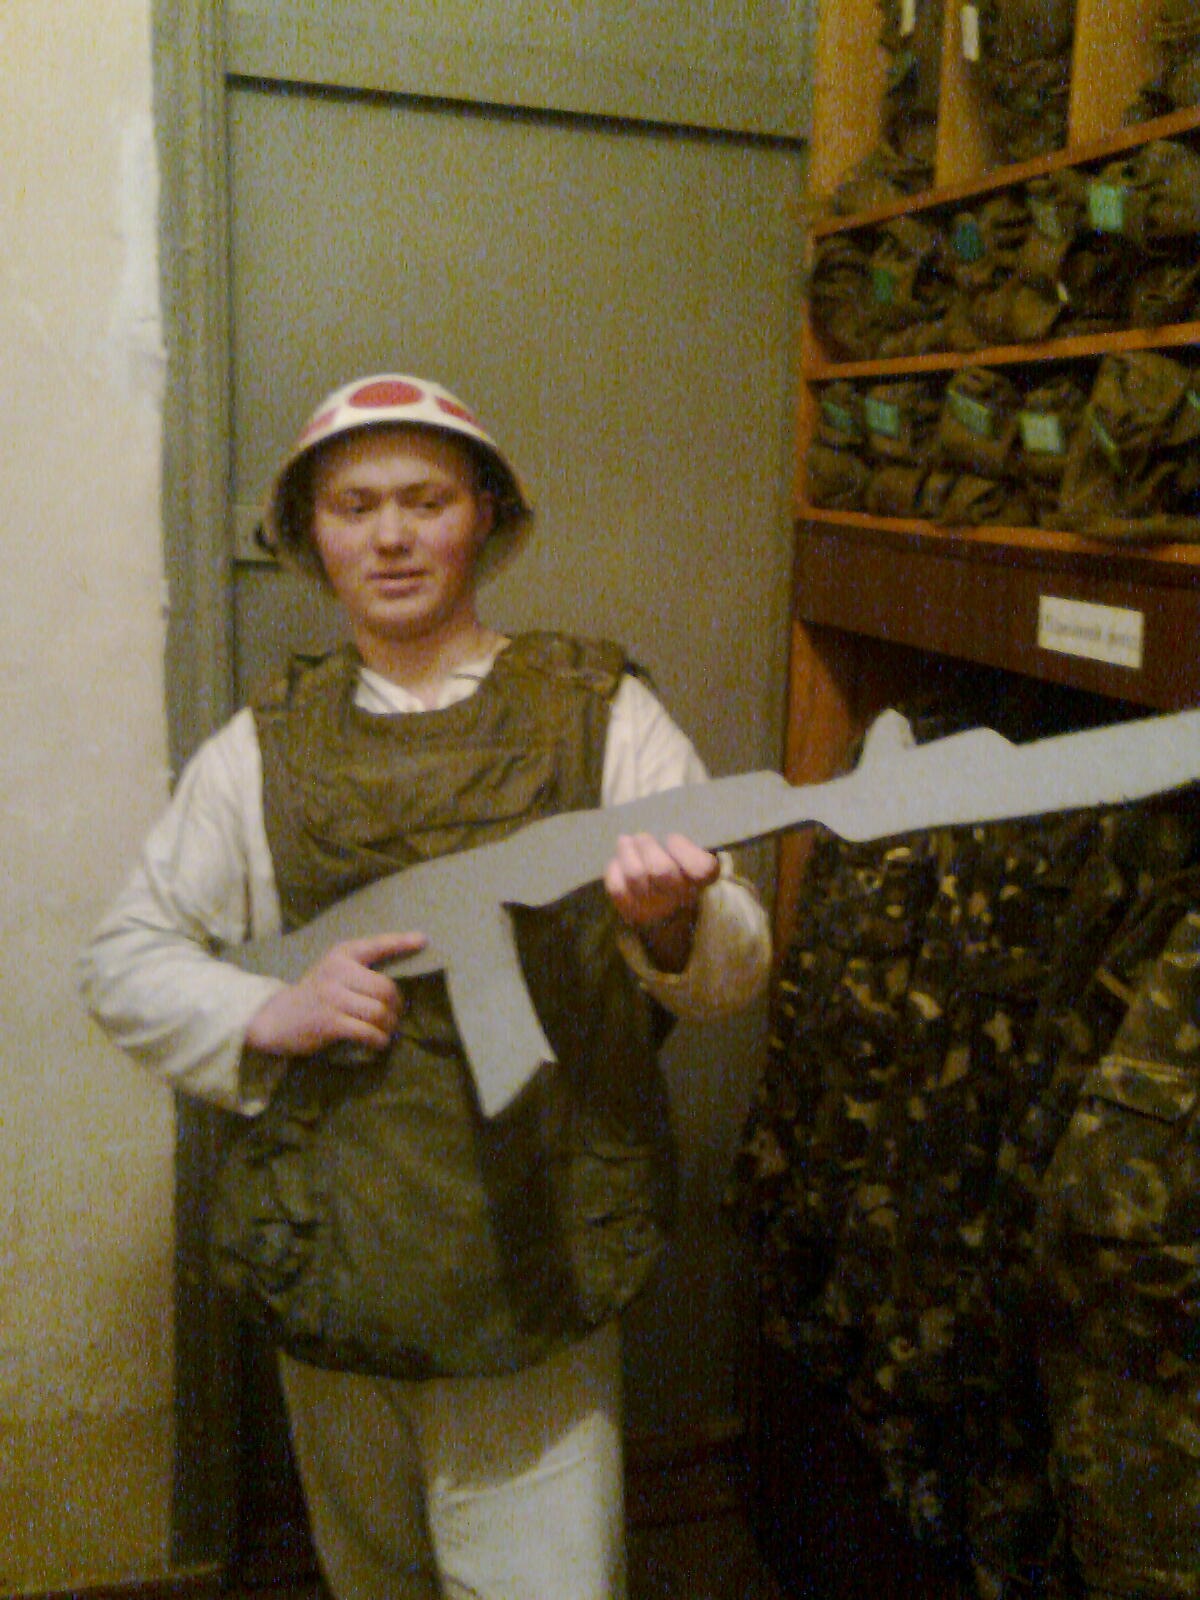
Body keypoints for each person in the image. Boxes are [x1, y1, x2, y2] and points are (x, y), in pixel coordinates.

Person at [80, 373, 771, 1599]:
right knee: (374, 1577)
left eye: (426, 500)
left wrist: (673, 923)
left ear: (484, 516)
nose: (391, 536)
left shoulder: (604, 715)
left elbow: (733, 971)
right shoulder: (260, 748)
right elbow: (125, 958)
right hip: (340, 1254)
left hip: (539, 1260)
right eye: (354, 507)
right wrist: (264, 1010)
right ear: (313, 536)